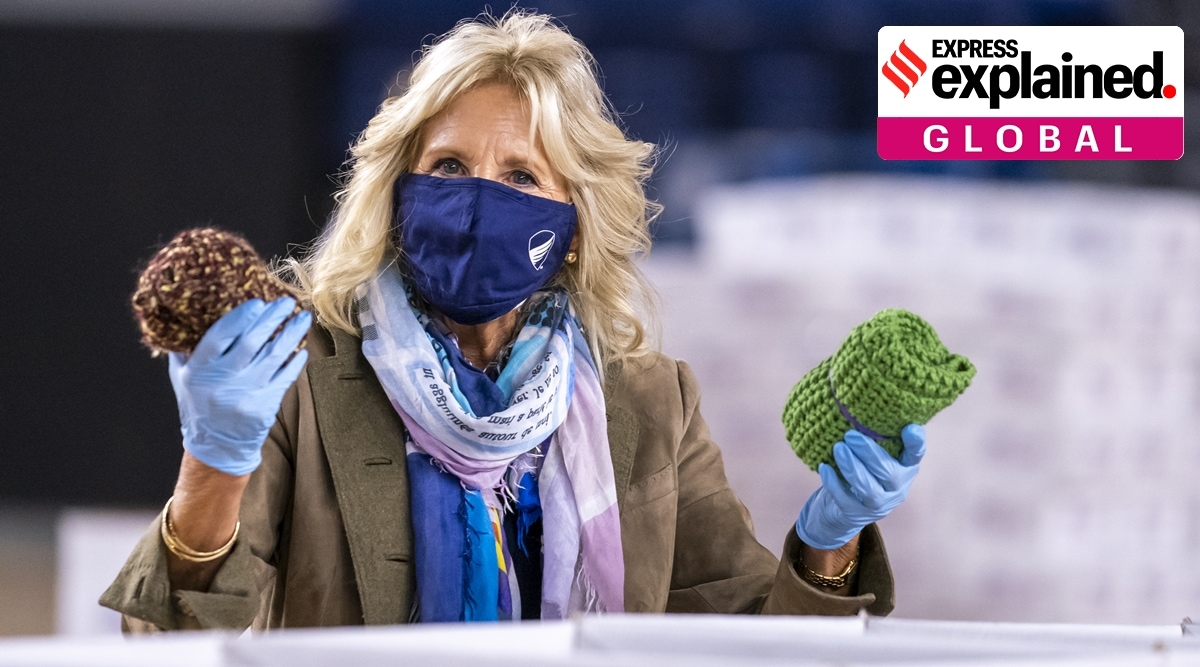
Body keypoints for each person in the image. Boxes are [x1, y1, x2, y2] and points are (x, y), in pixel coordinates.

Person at [101, 10, 925, 630]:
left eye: (521, 176)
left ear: (573, 229)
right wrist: (212, 466)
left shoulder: (651, 402)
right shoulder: (303, 377)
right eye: (448, 166)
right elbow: (169, 641)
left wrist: (830, 539)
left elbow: (754, 645)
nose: (476, 202)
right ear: (397, 196)